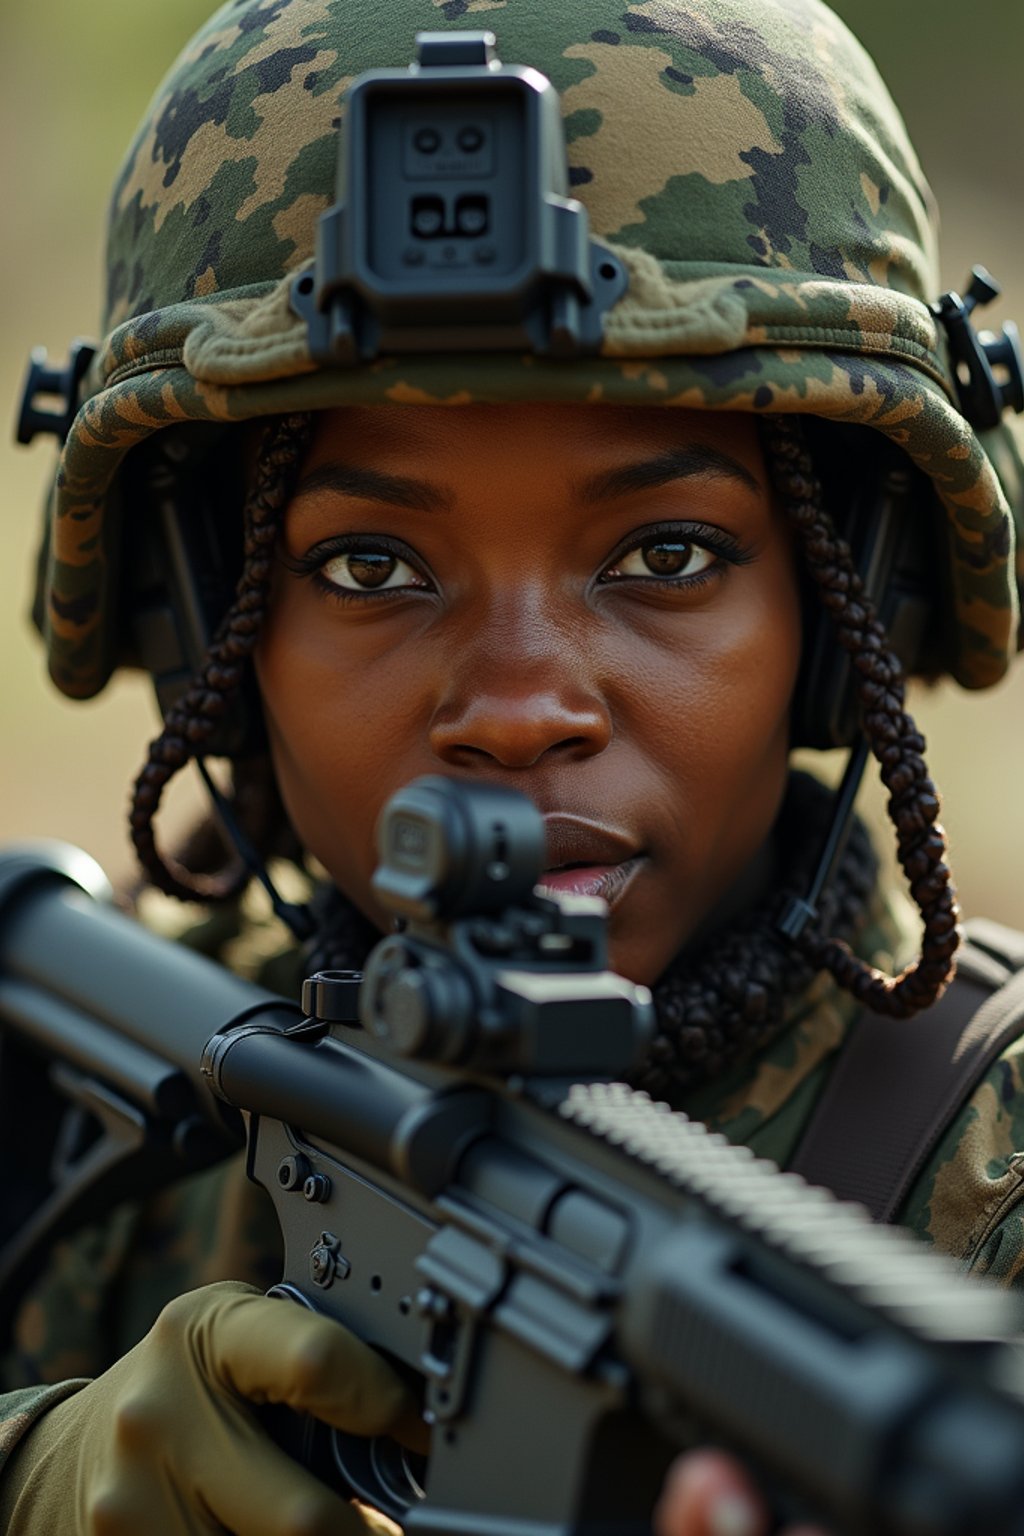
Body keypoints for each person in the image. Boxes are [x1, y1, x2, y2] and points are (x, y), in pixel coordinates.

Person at [2, 0, 1023, 1532]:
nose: (521, 707)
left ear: (842, 612)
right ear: (213, 634)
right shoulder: (121, 1101)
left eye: (666, 553)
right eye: (367, 568)